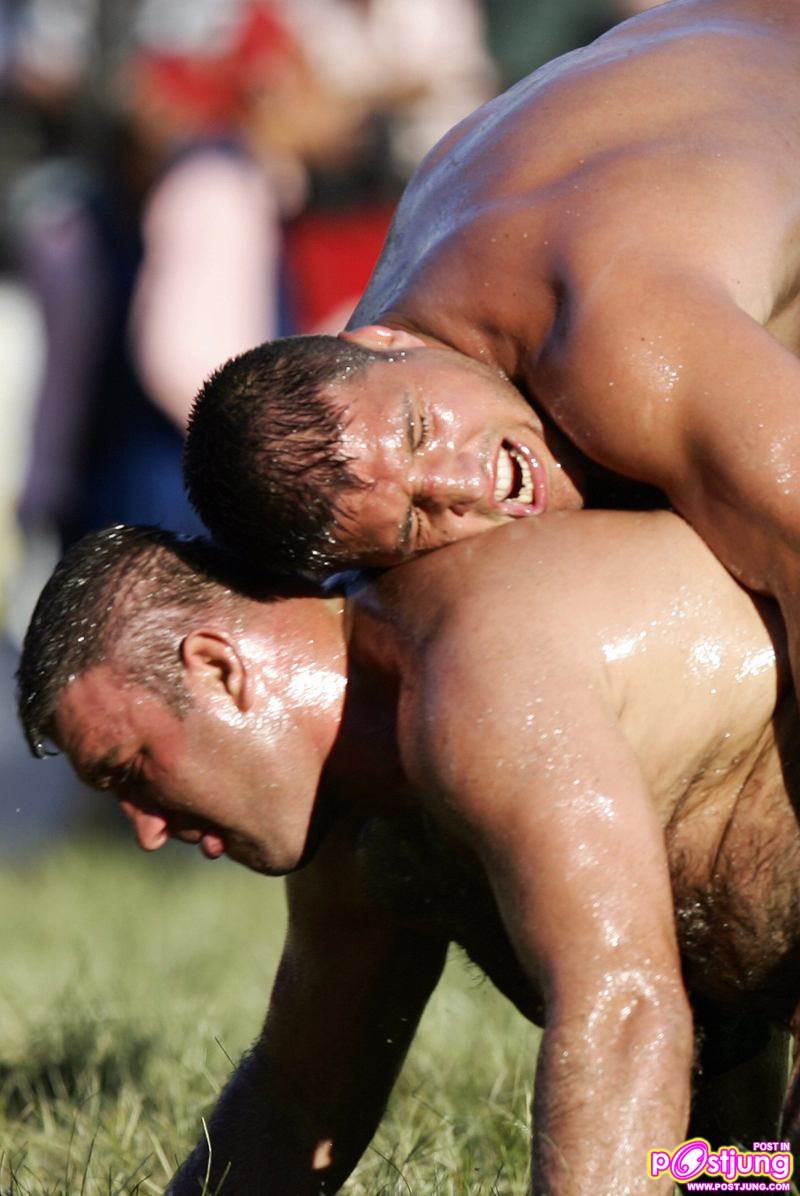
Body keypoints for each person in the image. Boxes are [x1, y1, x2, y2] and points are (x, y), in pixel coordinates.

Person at [17, 510, 800, 1193]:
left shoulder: (470, 668)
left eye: (130, 771)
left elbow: (625, 1009)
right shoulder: (365, 824)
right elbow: (297, 1110)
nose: (147, 831)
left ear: (219, 669)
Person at [184, 0, 800, 700]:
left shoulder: (619, 340)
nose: (462, 484)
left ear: (381, 340)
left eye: (421, 431)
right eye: (417, 518)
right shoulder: (392, 351)